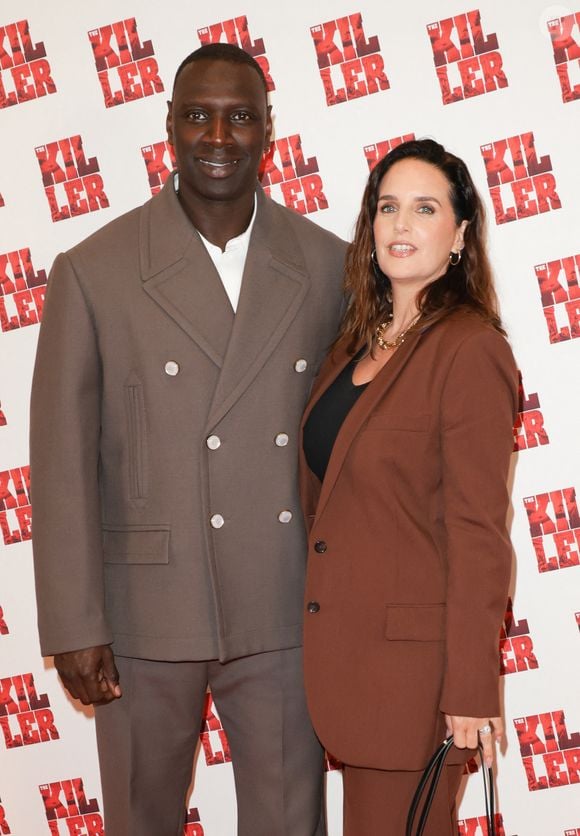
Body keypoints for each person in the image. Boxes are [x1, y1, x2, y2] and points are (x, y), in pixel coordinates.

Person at [30, 43, 346, 836]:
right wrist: (74, 623)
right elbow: (62, 463)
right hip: (143, 615)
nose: (217, 134)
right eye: (198, 115)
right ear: (167, 127)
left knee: (287, 822)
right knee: (141, 820)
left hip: (282, 608)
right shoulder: (94, 269)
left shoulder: (329, 266)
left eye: (239, 117)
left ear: (268, 131)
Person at [300, 138, 518, 835]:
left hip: (415, 686)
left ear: (458, 234)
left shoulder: (470, 348)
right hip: (345, 670)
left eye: (425, 209)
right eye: (387, 208)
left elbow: (479, 530)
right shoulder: (352, 347)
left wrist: (472, 690)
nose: (400, 225)